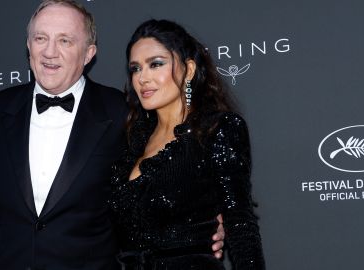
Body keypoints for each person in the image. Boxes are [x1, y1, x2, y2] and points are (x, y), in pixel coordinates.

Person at [0, 1, 224, 270]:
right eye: (41, 38)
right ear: (28, 45)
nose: (49, 52)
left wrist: (207, 222)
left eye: (65, 41)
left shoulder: (124, 113)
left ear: (89, 54)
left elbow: (165, 182)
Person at [108, 19, 266, 269]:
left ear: (189, 69)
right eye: (135, 68)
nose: (143, 78)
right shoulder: (131, 141)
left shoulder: (217, 129)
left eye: (156, 64)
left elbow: (240, 224)